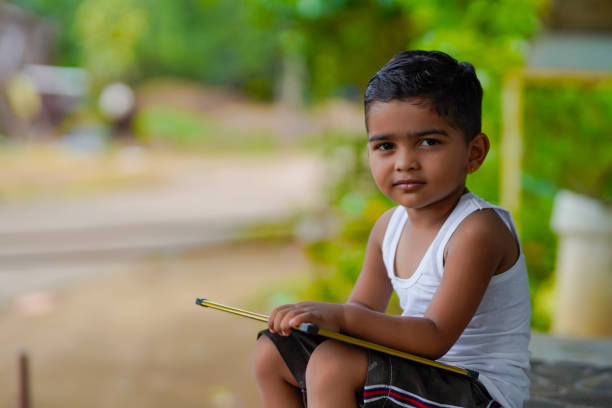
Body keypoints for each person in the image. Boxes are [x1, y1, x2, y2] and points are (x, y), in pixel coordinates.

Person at [252, 50, 531, 408]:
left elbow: (434, 337)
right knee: (272, 351)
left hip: (478, 391)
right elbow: (363, 308)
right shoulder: (388, 227)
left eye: (428, 142)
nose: (405, 163)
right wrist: (314, 323)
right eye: (386, 146)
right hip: (419, 375)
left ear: (473, 153)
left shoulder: (477, 230)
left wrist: (340, 316)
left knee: (332, 366)